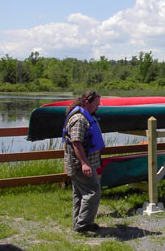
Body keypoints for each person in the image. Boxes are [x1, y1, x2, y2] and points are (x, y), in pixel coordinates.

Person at [62, 91, 105, 235]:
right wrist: (84, 163)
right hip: (80, 163)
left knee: (80, 194)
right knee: (93, 191)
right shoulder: (79, 119)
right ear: (87, 102)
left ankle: (79, 223)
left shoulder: (84, 116)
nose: (97, 107)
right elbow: (76, 142)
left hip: (81, 162)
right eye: (96, 104)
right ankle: (84, 225)